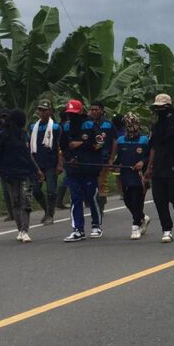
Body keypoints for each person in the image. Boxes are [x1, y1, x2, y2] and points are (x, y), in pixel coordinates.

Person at [0, 108, 44, 242]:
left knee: (26, 201)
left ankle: (25, 230)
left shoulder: (23, 135)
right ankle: (20, 229)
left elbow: (28, 154)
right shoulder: (2, 136)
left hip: (25, 172)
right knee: (15, 201)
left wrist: (37, 169)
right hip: (8, 174)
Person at [145, 94, 174, 243]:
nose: (159, 110)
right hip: (158, 168)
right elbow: (153, 147)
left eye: (161, 107)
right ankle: (166, 229)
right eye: (156, 107)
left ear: (168, 107)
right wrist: (149, 166)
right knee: (160, 200)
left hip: (173, 167)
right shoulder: (156, 126)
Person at [59, 99, 106, 242]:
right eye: (69, 114)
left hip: (89, 167)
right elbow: (63, 146)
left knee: (91, 197)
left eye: (74, 114)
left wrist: (82, 144)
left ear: (81, 113)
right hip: (73, 169)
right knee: (75, 198)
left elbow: (100, 143)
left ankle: (96, 225)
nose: (72, 117)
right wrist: (69, 157)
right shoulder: (66, 127)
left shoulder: (90, 125)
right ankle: (78, 230)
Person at [114, 112, 151, 240]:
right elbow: (118, 158)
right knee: (128, 201)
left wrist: (143, 163)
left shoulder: (144, 140)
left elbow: (149, 157)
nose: (130, 127)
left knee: (137, 200)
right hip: (125, 175)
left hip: (139, 176)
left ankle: (135, 226)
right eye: (128, 124)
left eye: (133, 124)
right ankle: (141, 217)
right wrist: (115, 164)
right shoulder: (120, 140)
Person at [28, 99, 62, 225]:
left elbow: (59, 146)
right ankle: (46, 209)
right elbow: (30, 145)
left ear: (51, 111)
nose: (42, 112)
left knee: (51, 191)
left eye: (45, 110)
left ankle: (50, 215)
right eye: (40, 110)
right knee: (36, 190)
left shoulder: (55, 127)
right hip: (37, 164)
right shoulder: (33, 127)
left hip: (50, 163)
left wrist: (60, 164)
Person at [86, 102, 116, 215]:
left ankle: (100, 206)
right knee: (92, 183)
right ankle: (97, 201)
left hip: (104, 158)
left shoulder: (108, 124)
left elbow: (114, 141)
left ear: (102, 111)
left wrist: (112, 158)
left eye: (96, 109)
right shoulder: (87, 124)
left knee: (101, 182)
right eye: (92, 109)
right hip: (90, 159)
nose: (94, 111)